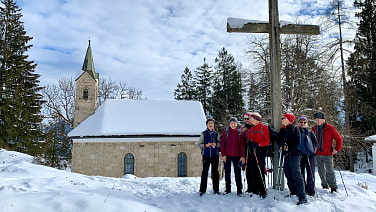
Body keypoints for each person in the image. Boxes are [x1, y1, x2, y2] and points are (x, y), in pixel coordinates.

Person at [278, 113, 307, 205]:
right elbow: (279, 140)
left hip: (294, 155)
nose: (281, 119)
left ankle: (302, 196)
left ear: (288, 120)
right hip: (285, 155)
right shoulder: (283, 129)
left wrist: (289, 150)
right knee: (288, 174)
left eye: (283, 118)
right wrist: (282, 144)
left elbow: (297, 142)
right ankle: (293, 192)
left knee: (297, 175)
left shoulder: (295, 129)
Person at [311, 112, 343, 193]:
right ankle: (324, 185)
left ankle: (333, 187)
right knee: (321, 171)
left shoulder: (330, 128)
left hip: (328, 154)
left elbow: (339, 139)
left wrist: (336, 149)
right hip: (317, 153)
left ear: (323, 120)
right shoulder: (314, 129)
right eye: (316, 120)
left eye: (319, 120)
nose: (317, 121)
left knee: (330, 171)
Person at [244, 112, 270, 198]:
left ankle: (262, 190)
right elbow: (248, 139)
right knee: (252, 169)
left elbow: (267, 141)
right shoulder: (251, 129)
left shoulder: (264, 127)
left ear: (256, 119)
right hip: (251, 151)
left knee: (260, 170)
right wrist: (248, 143)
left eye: (251, 119)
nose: (250, 120)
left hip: (260, 151)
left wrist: (258, 144)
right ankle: (254, 189)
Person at [221, 117, 245, 196]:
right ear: (229, 124)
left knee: (237, 173)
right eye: (232, 123)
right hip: (227, 156)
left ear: (237, 124)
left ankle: (239, 190)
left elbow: (242, 145)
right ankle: (228, 189)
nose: (233, 124)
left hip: (237, 156)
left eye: (235, 123)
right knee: (227, 173)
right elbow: (222, 144)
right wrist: (223, 155)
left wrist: (242, 156)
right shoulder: (226, 132)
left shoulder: (239, 133)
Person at [198, 118, 221, 196]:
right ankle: (202, 190)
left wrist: (216, 145)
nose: (210, 125)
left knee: (215, 172)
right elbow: (199, 145)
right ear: (207, 125)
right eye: (209, 124)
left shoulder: (217, 134)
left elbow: (220, 144)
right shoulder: (203, 134)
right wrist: (205, 145)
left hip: (215, 155)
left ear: (214, 125)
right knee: (205, 172)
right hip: (206, 155)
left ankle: (216, 189)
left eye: (212, 123)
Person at [297, 115, 318, 196]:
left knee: (311, 173)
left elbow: (315, 143)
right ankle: (303, 189)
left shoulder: (310, 132)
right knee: (301, 173)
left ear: (307, 123)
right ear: (298, 123)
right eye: (301, 122)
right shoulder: (296, 131)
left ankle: (311, 190)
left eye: (304, 122)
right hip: (300, 155)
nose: (303, 124)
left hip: (310, 155)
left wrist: (311, 148)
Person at [240, 112, 253, 193]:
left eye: (247, 118)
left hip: (253, 150)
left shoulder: (254, 126)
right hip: (245, 150)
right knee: (247, 170)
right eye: (245, 119)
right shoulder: (242, 128)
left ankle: (255, 186)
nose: (246, 120)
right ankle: (250, 187)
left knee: (254, 170)